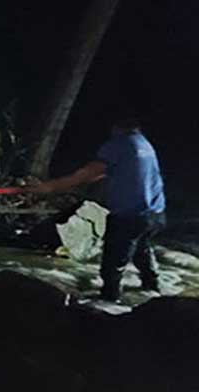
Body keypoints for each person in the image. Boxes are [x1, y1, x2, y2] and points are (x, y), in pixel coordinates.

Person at [28, 116, 166, 302]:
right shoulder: (144, 144)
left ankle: (109, 302)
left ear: (117, 128)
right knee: (142, 249)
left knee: (113, 263)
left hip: (130, 216)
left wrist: (50, 187)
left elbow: (87, 173)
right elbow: (101, 172)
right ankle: (153, 290)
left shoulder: (119, 144)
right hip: (155, 214)